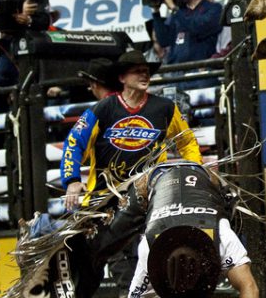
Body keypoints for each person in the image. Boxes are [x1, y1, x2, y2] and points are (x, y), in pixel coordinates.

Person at [124, 159, 260, 298]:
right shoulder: (149, 248)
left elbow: (248, 285)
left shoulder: (223, 237)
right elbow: (248, 284)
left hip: (194, 178)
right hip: (159, 179)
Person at [60, 49, 200, 208]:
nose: (144, 75)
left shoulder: (166, 107)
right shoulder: (102, 108)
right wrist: (72, 180)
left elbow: (187, 141)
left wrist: (195, 171)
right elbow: (74, 142)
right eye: (137, 71)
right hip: (105, 197)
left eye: (146, 71)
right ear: (122, 78)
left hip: (151, 196)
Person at [151, 0, 222, 66]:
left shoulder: (214, 8)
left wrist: (174, 8)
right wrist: (156, 11)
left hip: (200, 69)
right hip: (175, 70)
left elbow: (196, 28)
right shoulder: (180, 11)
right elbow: (164, 41)